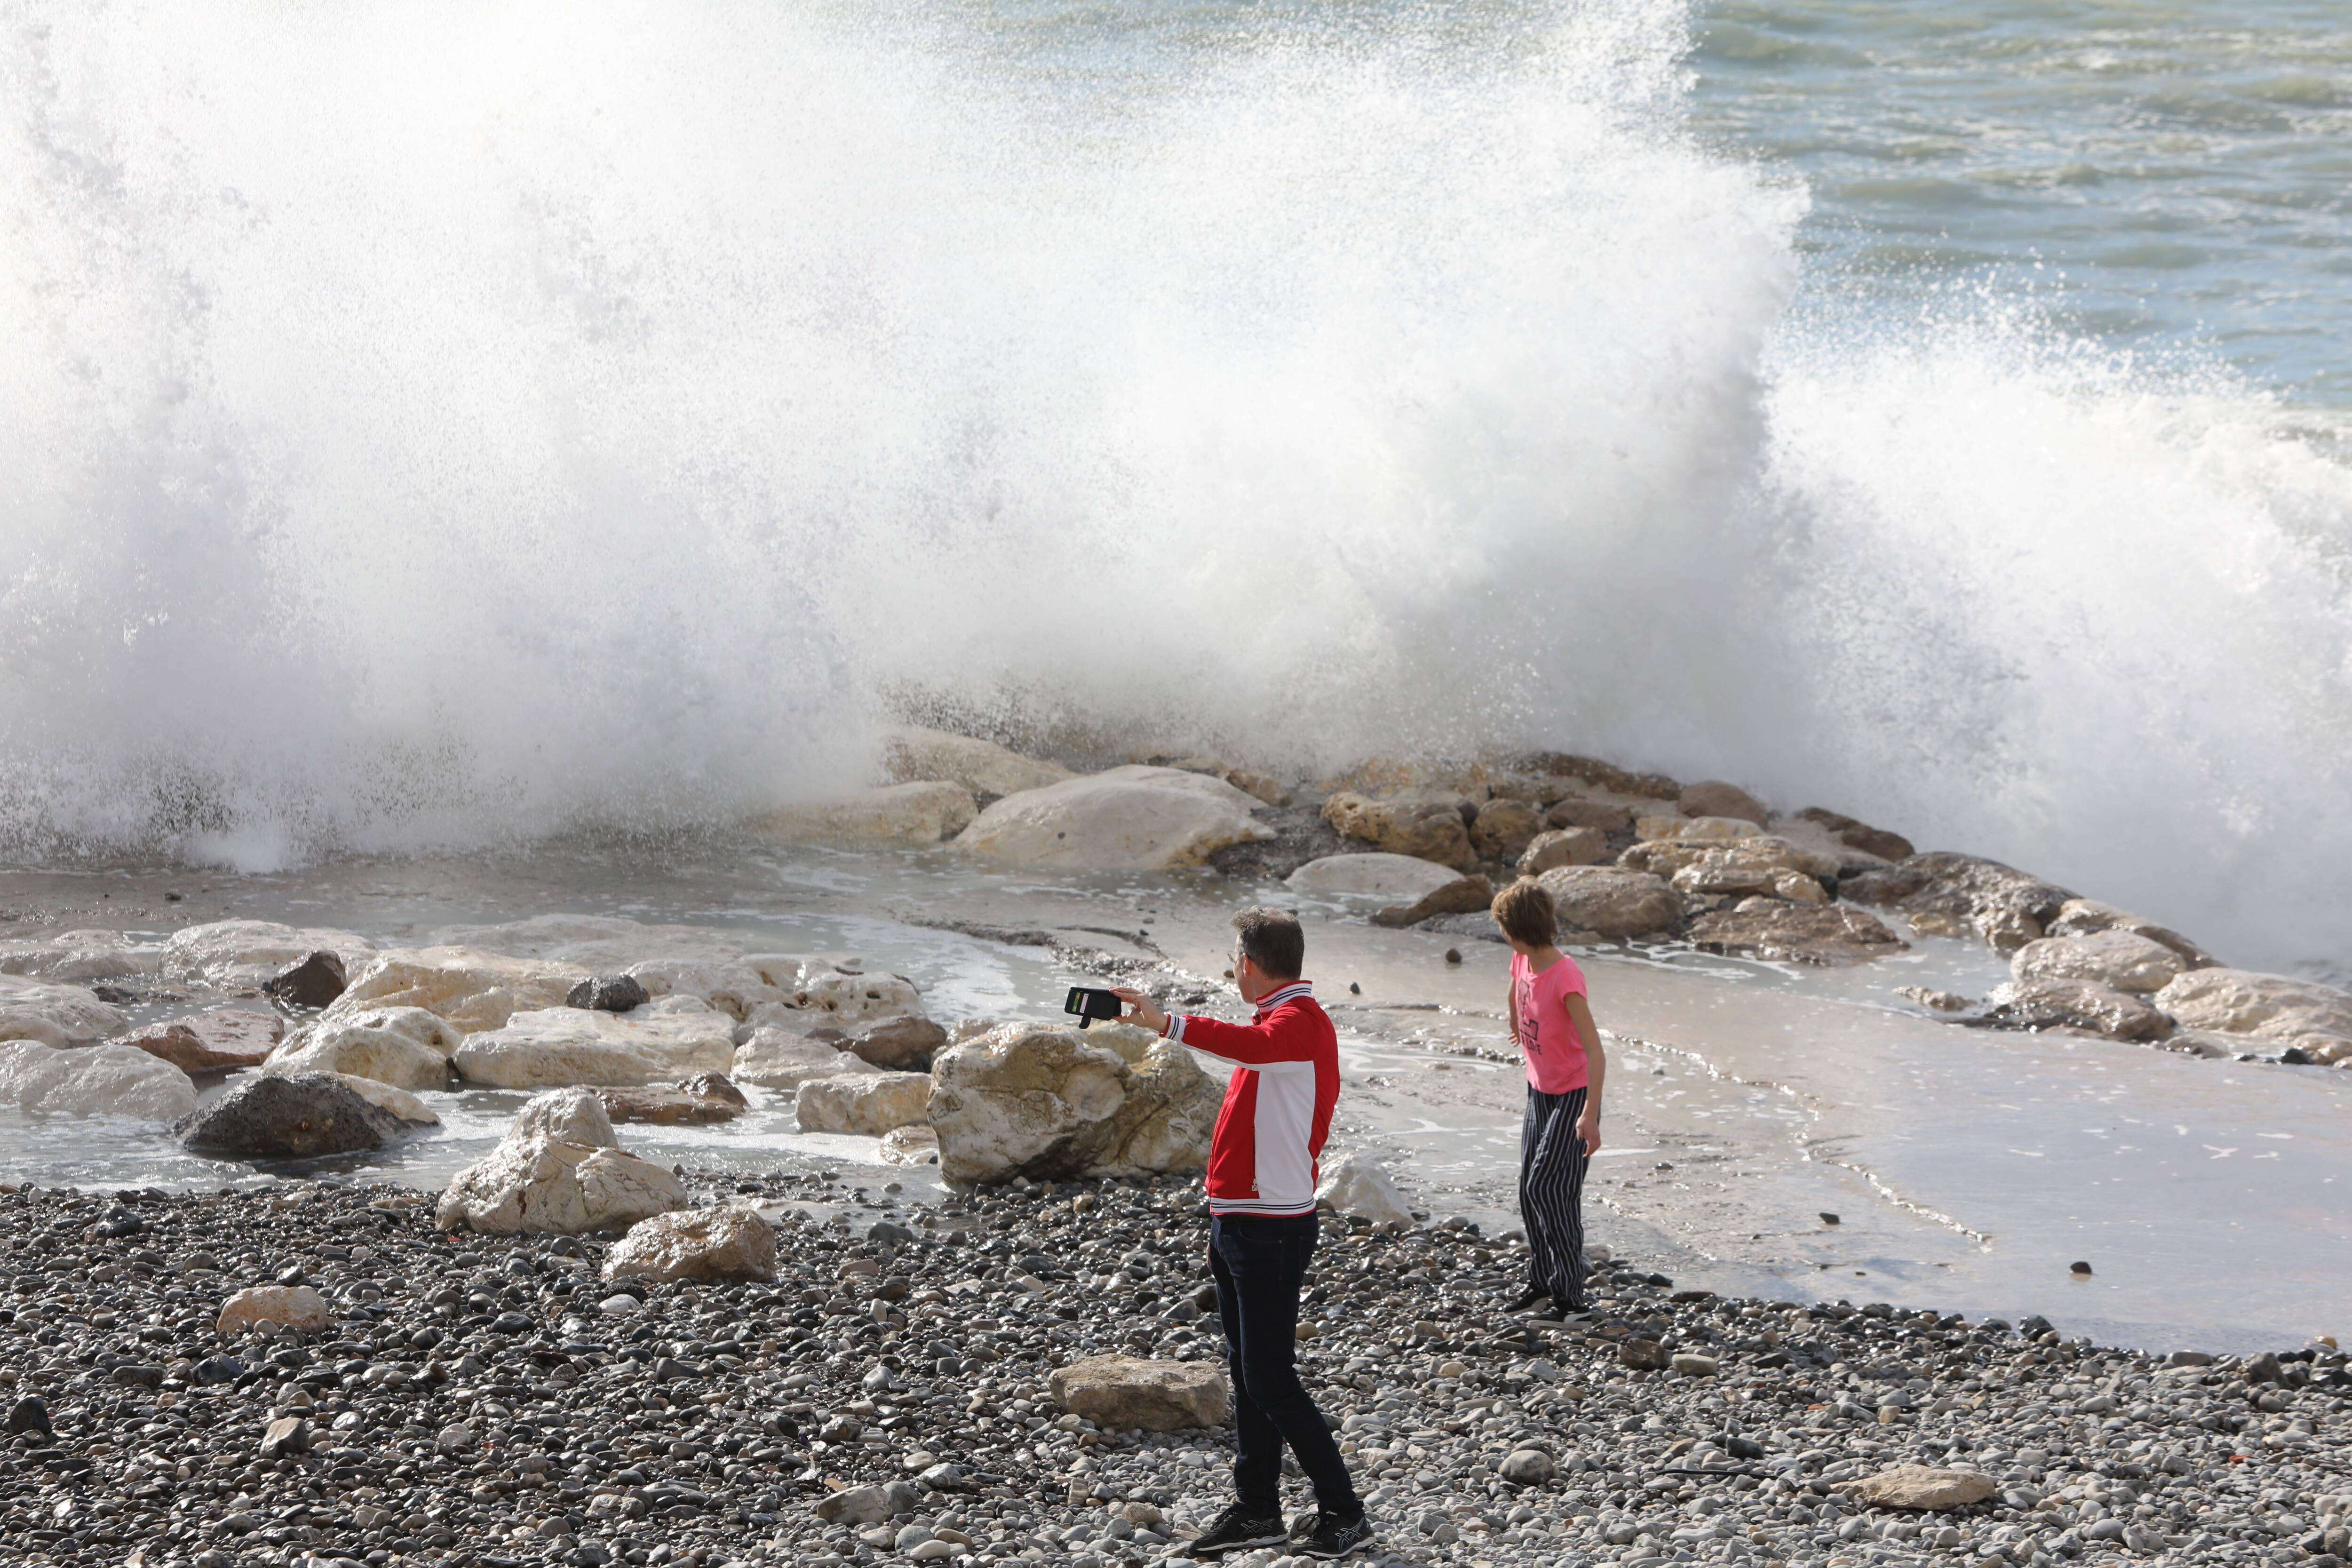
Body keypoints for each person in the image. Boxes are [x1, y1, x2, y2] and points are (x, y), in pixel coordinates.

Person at [1112, 907, 1373, 1561]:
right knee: (1248, 1371)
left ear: (1249, 964)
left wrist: (1165, 1022)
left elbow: (1245, 1047)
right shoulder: (1278, 1021)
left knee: (1270, 1378)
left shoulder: (1296, 1024)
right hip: (1241, 1221)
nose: (1232, 969)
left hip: (1270, 1227)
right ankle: (1258, 1509)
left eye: (1234, 958)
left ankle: (1345, 1513)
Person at [1490, 877, 1606, 1314]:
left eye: (1504, 927)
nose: (1503, 935)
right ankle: (1541, 1282)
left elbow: (1596, 1051)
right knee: (1529, 1188)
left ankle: (1571, 1297)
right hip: (1539, 1090)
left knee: (1551, 1189)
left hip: (1575, 1095)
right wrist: (1514, 1018)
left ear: (1517, 931)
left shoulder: (1565, 977)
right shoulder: (1523, 957)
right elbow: (1515, 985)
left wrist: (1590, 1115)